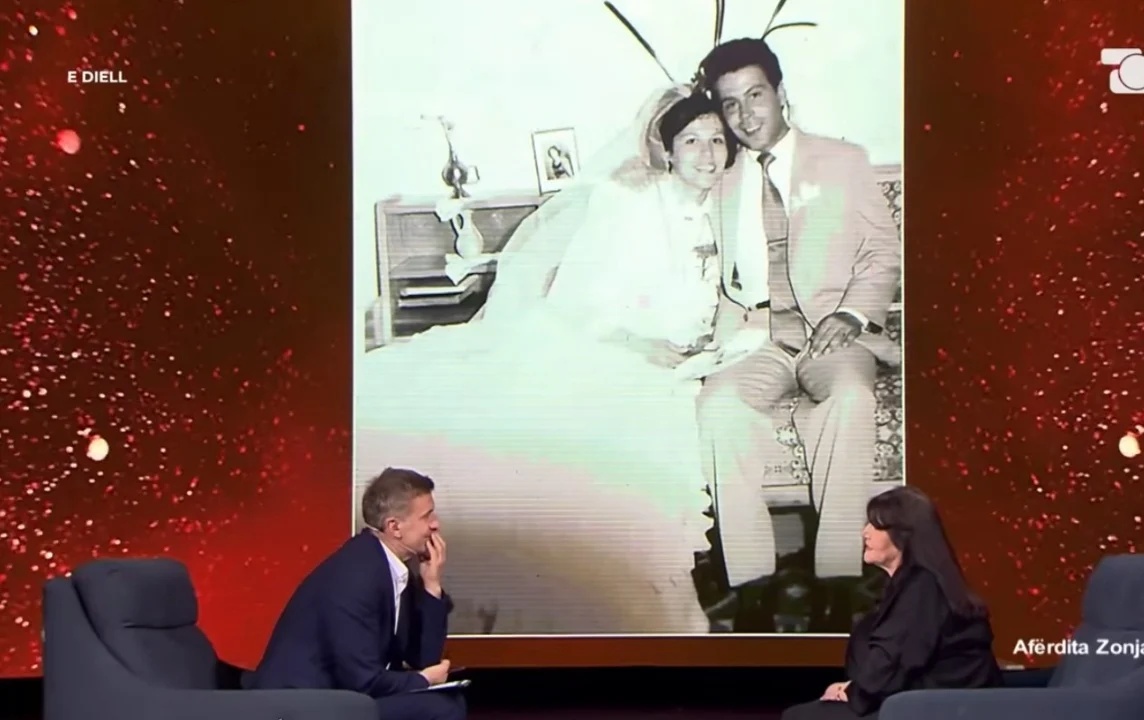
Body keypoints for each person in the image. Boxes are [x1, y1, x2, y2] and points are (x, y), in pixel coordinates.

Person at [353, 87, 737, 634]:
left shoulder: (731, 205)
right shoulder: (628, 203)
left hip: (682, 357)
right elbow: (577, 302)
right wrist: (641, 345)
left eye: (717, 140)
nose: (707, 154)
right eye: (692, 141)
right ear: (667, 150)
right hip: (611, 345)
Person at [692, 37, 903, 630]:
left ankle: (837, 578)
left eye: (755, 95)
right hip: (757, 335)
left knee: (850, 399)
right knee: (718, 406)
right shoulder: (720, 177)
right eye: (730, 104)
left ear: (781, 93)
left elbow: (882, 251)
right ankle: (752, 582)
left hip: (832, 331)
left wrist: (852, 314)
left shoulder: (843, 160)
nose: (745, 115)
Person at [247, 468, 465, 720]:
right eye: (427, 516)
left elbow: (423, 658)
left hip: (342, 695)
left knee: (448, 701)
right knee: (440, 708)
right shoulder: (356, 576)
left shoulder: (392, 567)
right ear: (394, 527)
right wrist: (423, 680)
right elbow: (362, 681)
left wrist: (431, 585)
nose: (436, 524)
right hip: (301, 704)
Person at [780, 487, 1002, 719]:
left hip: (941, 708)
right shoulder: (915, 582)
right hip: (924, 701)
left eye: (876, 526)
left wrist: (853, 692)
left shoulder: (922, 586)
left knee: (799, 716)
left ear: (903, 536)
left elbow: (894, 659)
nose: (865, 533)